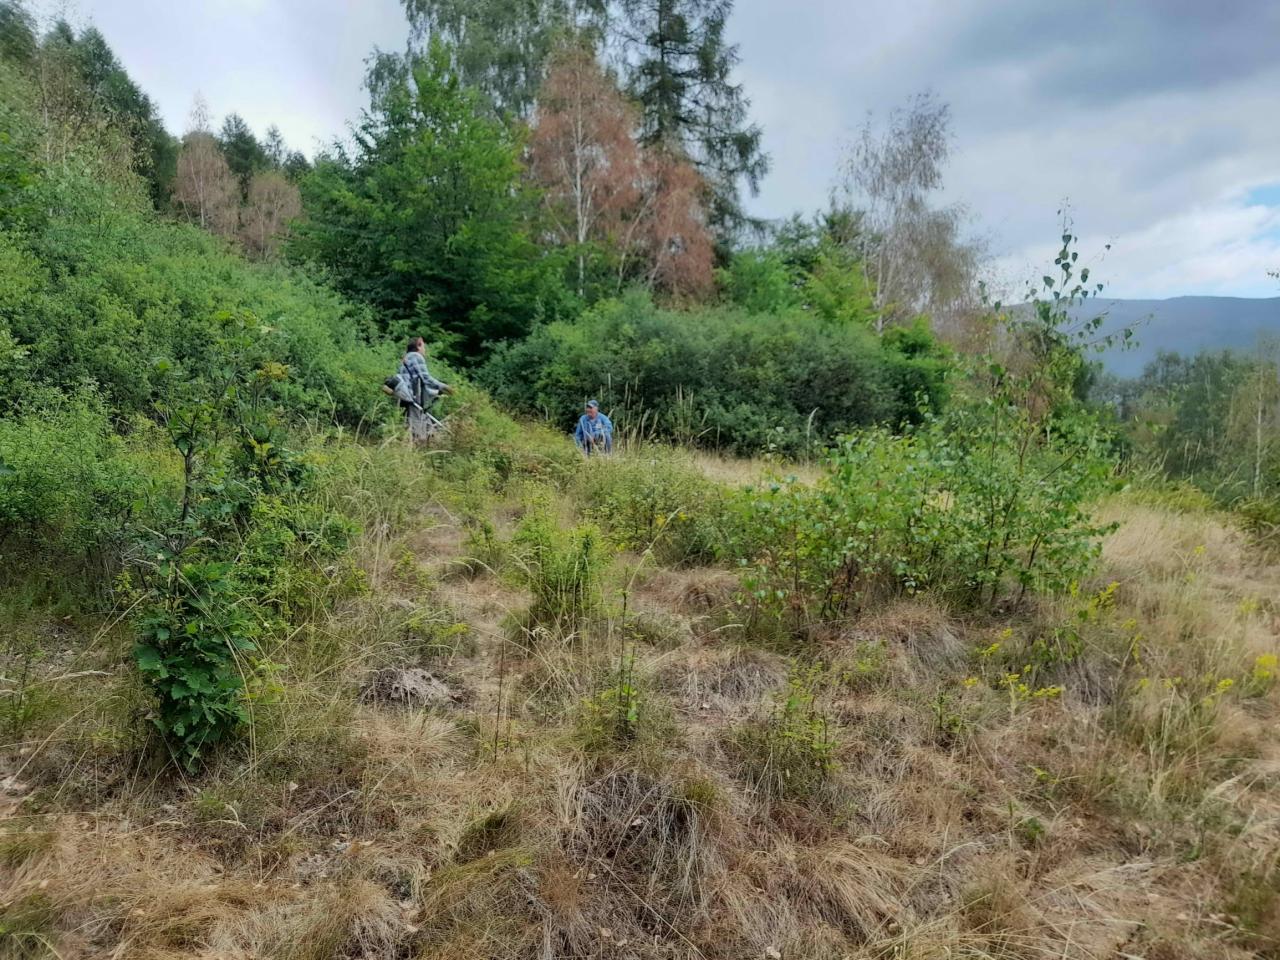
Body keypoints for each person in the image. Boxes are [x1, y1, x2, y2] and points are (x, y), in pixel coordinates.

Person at [399, 336, 452, 442]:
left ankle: (425, 446)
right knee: (417, 432)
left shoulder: (407, 357)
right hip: (413, 398)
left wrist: (438, 392)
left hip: (407, 396)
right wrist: (445, 387)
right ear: (418, 346)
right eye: (423, 346)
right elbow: (426, 379)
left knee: (427, 427)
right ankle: (416, 449)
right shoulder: (416, 356)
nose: (424, 349)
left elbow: (421, 384)